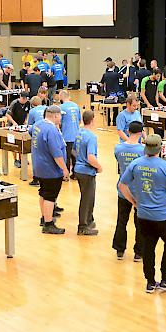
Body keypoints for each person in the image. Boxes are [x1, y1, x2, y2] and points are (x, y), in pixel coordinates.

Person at [119, 134, 166, 294]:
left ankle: (150, 282)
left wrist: (134, 202)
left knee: (148, 248)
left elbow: (122, 185)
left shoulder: (135, 164)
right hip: (164, 216)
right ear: (160, 149)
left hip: (143, 216)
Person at [32, 105, 69, 234]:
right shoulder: (51, 130)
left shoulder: (38, 124)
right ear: (55, 115)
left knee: (43, 192)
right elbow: (56, 153)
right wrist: (64, 169)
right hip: (50, 169)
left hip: (39, 166)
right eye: (60, 116)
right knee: (50, 196)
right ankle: (48, 224)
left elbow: (31, 132)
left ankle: (44, 217)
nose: (61, 118)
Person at [113, 121, 145, 261]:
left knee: (122, 220)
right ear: (140, 133)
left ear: (128, 132)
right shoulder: (142, 150)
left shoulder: (118, 148)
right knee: (140, 222)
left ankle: (120, 249)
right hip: (138, 191)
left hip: (123, 189)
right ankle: (139, 252)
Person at [73, 110, 102, 236]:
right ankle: (83, 226)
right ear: (93, 119)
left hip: (78, 169)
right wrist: (99, 167)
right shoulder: (91, 136)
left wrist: (80, 159)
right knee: (87, 199)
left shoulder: (79, 133)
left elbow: (73, 151)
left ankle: (89, 220)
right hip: (86, 171)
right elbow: (91, 157)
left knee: (88, 197)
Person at [58, 90, 81, 178]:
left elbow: (58, 122)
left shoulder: (61, 108)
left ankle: (65, 174)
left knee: (66, 156)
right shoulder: (76, 105)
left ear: (61, 97)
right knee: (75, 155)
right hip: (76, 135)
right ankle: (75, 174)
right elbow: (79, 121)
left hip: (66, 136)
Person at [6, 92, 30, 168]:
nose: (24, 100)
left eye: (26, 98)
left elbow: (27, 112)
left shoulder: (27, 103)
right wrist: (13, 123)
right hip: (13, 124)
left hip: (21, 125)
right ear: (20, 97)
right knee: (14, 144)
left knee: (22, 143)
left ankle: (21, 159)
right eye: (23, 98)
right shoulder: (14, 103)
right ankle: (15, 160)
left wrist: (26, 120)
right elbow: (8, 114)